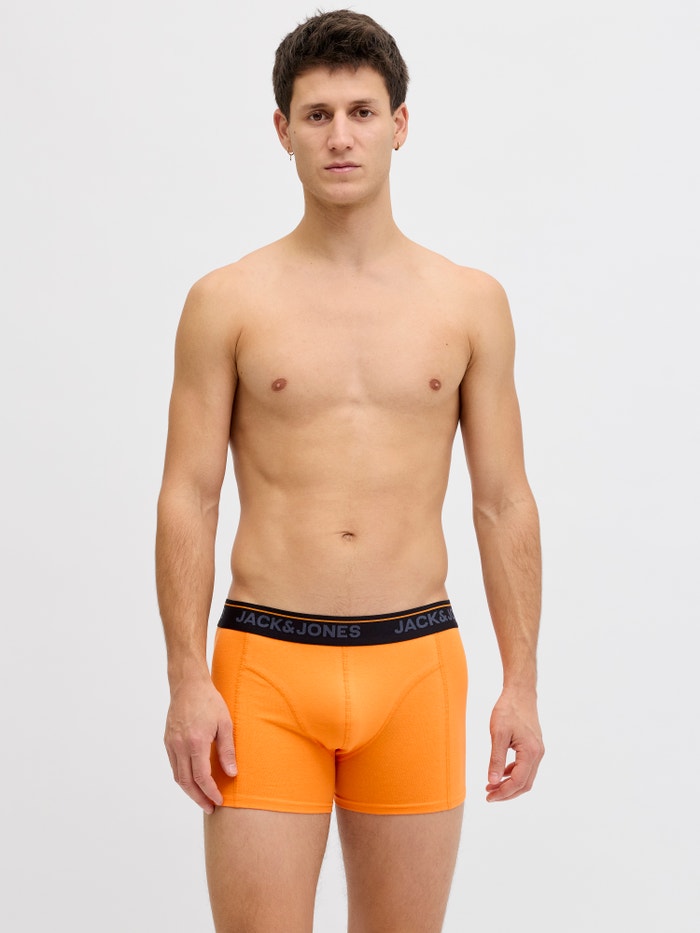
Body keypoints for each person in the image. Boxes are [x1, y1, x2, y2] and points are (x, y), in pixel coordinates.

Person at [156, 9, 544, 932]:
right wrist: (186, 680)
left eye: (362, 112)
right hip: (263, 667)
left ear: (399, 124)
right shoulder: (226, 301)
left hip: (416, 665)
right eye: (318, 114)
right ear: (282, 129)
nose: (341, 136)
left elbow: (502, 501)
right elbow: (189, 496)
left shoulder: (469, 303)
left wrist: (522, 683)